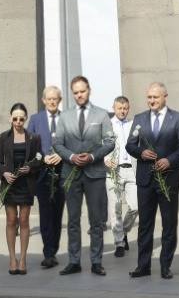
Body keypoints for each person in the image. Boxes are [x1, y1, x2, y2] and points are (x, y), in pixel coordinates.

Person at [126, 82, 179, 280]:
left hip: (168, 179)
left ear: (165, 96)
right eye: (149, 97)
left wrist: (169, 160)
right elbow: (130, 144)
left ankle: (165, 265)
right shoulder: (139, 119)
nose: (151, 101)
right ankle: (143, 265)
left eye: (155, 97)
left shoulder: (178, 119)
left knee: (169, 224)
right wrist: (140, 152)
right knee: (145, 225)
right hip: (145, 180)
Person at [52, 76, 114, 276]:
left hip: (94, 173)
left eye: (82, 91)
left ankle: (96, 261)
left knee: (96, 221)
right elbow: (57, 142)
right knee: (73, 220)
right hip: (71, 173)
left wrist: (93, 156)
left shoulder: (102, 114)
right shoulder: (65, 117)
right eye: (76, 92)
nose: (79, 95)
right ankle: (74, 261)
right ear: (73, 94)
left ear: (89, 90)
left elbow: (110, 141)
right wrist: (70, 156)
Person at [0, 103, 42, 275]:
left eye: (21, 118)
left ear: (26, 119)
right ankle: (12, 259)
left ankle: (22, 259)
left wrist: (31, 168)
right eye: (15, 118)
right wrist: (4, 174)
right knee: (11, 220)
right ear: (10, 119)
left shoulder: (34, 137)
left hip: (26, 184)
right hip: (10, 184)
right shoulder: (4, 137)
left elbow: (40, 160)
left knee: (23, 220)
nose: (18, 121)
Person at [26, 86, 66, 269]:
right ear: (43, 100)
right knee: (45, 215)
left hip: (62, 174)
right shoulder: (35, 120)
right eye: (49, 99)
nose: (52, 102)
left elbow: (72, 141)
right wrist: (43, 156)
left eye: (55, 99)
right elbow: (30, 145)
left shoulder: (66, 119)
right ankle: (48, 253)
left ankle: (53, 250)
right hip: (42, 174)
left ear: (60, 100)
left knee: (57, 215)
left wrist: (61, 154)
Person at [105, 96, 138, 258]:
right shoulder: (107, 125)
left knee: (135, 207)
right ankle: (119, 243)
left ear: (128, 108)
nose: (122, 111)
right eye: (119, 108)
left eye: (125, 108)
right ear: (114, 107)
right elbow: (99, 145)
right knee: (115, 209)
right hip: (113, 171)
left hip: (132, 170)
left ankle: (124, 231)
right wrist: (105, 160)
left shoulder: (134, 125)